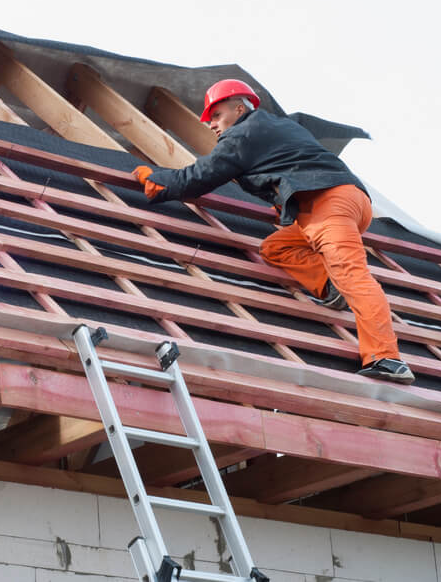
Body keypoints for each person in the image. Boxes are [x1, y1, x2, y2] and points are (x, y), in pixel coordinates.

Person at [133, 79, 413, 384]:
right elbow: (292, 160)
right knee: (276, 247)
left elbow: (199, 177)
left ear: (239, 108)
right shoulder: (279, 127)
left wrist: (158, 181)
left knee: (353, 275)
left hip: (327, 204)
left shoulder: (241, 135)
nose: (211, 125)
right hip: (347, 202)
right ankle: (330, 286)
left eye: (215, 115)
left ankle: (386, 358)